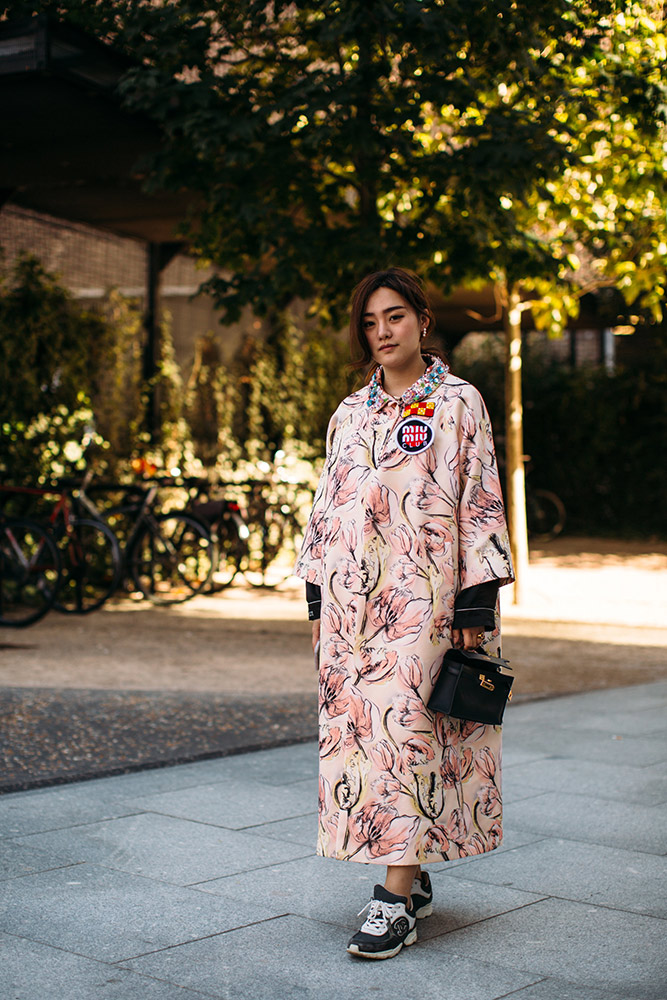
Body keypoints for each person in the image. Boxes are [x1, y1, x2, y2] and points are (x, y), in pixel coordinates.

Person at [295, 267, 514, 960]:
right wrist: (314, 598)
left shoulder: (457, 403)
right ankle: (407, 871)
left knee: (409, 740)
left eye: (393, 317)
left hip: (428, 607)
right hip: (349, 612)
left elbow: (478, 497)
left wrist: (476, 601)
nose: (381, 332)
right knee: (361, 745)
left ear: (421, 319)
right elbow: (327, 505)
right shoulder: (348, 413)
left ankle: (391, 900)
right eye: (369, 322)